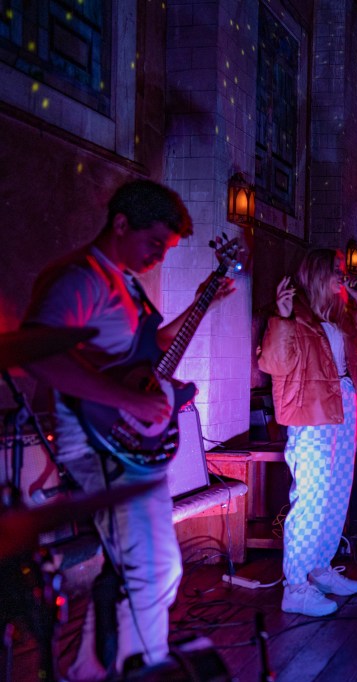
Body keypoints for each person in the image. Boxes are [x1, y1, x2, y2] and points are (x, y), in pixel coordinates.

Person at [21, 180, 236, 678]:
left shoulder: (126, 283)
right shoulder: (80, 278)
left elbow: (149, 348)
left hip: (132, 447)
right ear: (120, 224)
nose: (158, 257)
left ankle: (89, 670)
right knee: (155, 570)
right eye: (154, 243)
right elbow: (40, 353)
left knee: (133, 570)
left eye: (166, 249)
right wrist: (132, 400)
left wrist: (201, 305)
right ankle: (145, 668)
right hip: (99, 445)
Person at [259, 248, 357, 616]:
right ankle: (296, 586)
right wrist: (281, 317)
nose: (343, 275)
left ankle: (320, 568)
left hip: (343, 401)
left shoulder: (341, 318)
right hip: (310, 409)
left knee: (337, 492)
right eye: (336, 270)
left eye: (343, 269)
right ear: (317, 274)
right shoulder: (296, 314)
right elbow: (273, 362)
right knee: (311, 497)